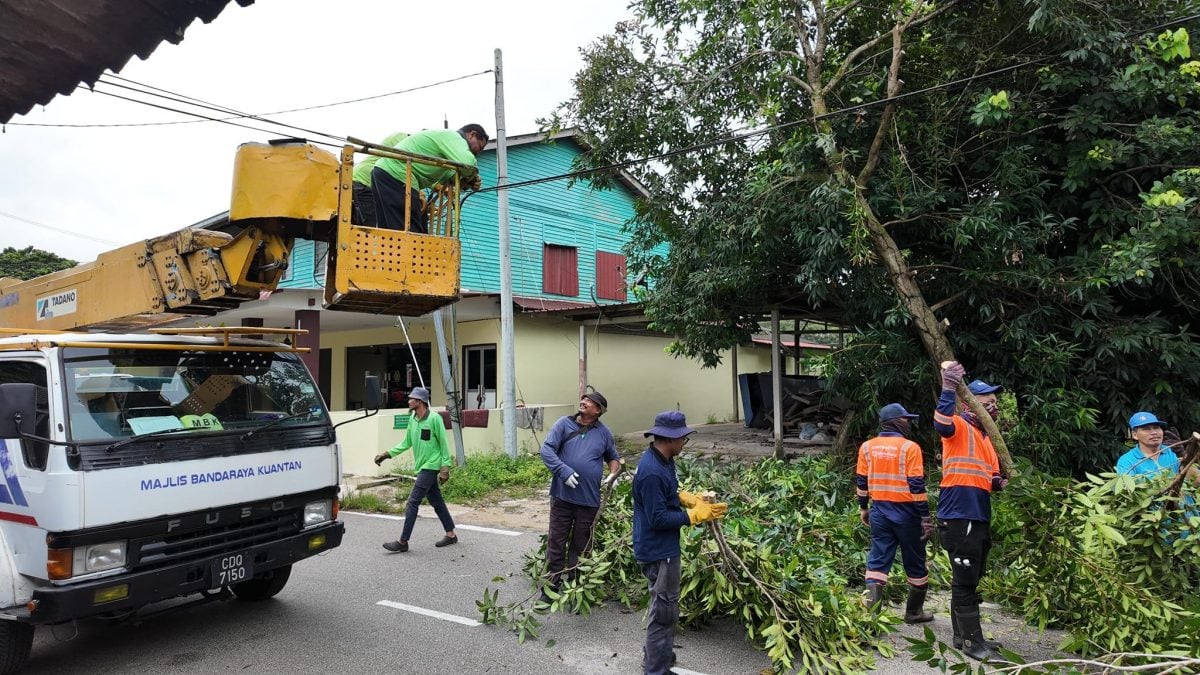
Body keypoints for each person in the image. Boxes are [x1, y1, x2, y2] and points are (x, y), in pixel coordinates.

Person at [632, 411, 728, 675]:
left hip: (663, 547)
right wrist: (694, 515)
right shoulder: (652, 471)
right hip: (658, 549)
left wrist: (688, 498)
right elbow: (657, 518)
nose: (685, 444)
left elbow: (666, 495)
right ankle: (656, 670)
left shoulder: (662, 460)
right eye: (683, 439)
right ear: (671, 439)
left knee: (663, 608)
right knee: (663, 612)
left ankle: (659, 657)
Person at [933, 362, 1007, 662]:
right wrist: (948, 387)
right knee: (965, 579)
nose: (993, 405)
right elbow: (940, 422)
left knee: (969, 576)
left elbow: (989, 477)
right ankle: (973, 644)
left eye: (994, 402)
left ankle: (962, 635)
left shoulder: (987, 438)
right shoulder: (959, 425)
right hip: (960, 512)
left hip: (977, 512)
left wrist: (1000, 481)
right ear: (970, 404)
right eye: (986, 401)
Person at [537, 391, 621, 602]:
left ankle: (575, 586)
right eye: (583, 399)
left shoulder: (604, 433)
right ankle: (550, 587)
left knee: (581, 546)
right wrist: (562, 471)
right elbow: (547, 451)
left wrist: (613, 474)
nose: (583, 402)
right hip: (562, 497)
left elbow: (613, 458)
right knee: (556, 541)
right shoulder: (563, 424)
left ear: (598, 410)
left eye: (590, 401)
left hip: (589, 500)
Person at [856, 403, 933, 624]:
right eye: (906, 420)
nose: (909, 424)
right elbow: (916, 486)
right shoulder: (910, 448)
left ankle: (872, 616)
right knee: (916, 561)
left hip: (879, 511)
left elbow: (862, 481)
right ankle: (913, 612)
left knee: (878, 560)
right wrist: (925, 518)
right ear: (896, 422)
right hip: (907, 514)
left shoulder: (867, 447)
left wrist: (864, 507)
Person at [373, 386, 457, 552]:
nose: (409, 401)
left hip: (431, 466)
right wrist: (387, 454)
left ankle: (403, 542)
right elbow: (406, 443)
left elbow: (443, 443)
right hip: (422, 466)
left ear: (420, 402)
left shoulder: (434, 419)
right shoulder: (413, 419)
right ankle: (451, 534)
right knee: (436, 501)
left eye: (412, 398)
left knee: (412, 502)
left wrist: (445, 466)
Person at [371, 124, 488, 234]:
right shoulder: (454, 137)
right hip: (396, 173)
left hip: (384, 172)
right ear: (471, 135)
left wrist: (468, 183)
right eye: (480, 146)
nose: (479, 152)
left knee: (391, 228)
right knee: (411, 229)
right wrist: (473, 175)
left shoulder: (446, 150)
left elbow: (449, 178)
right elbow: (468, 164)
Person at [351, 131, 407, 227]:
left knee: (364, 223)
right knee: (369, 228)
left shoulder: (402, 139)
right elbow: (408, 161)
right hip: (364, 181)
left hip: (363, 180)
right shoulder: (402, 138)